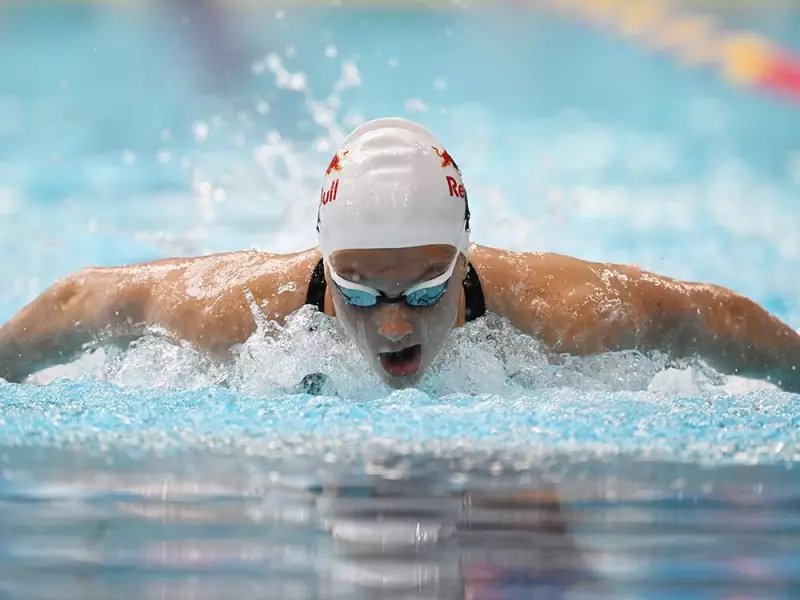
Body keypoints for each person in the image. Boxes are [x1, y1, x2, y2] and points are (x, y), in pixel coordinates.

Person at [1, 117, 798, 392]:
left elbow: (705, 316)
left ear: (463, 262)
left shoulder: (564, 313)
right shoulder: (235, 313)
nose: (391, 328)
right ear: (325, 266)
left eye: (422, 293)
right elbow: (85, 299)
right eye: (358, 292)